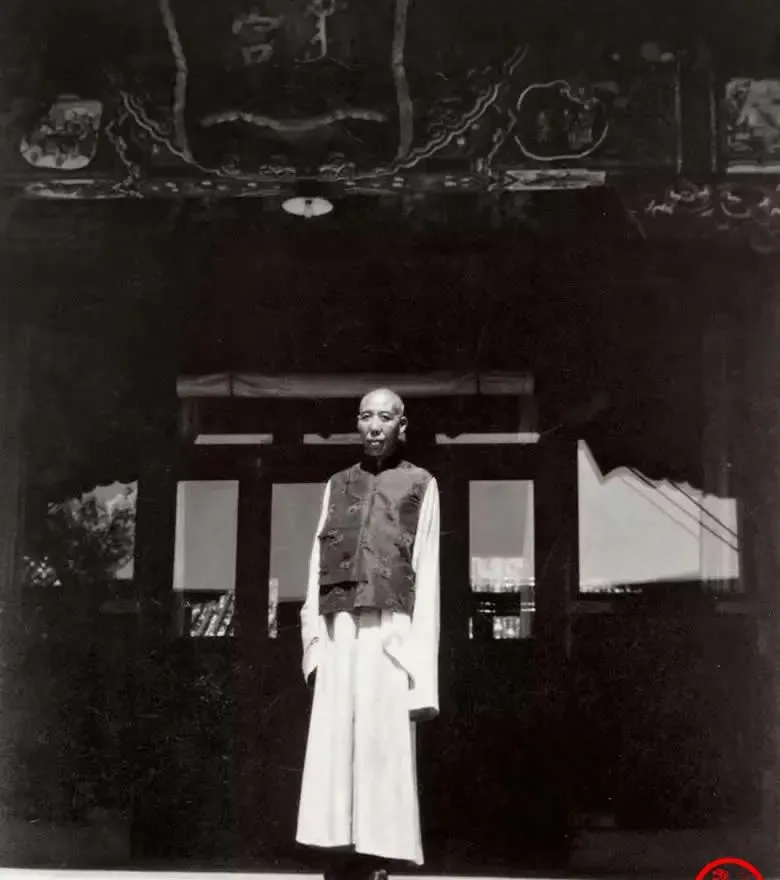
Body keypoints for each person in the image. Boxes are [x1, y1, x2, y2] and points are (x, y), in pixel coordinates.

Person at [296, 388, 441, 880]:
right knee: (336, 741)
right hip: (339, 628)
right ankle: (338, 853)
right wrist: (315, 645)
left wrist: (421, 673)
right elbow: (315, 564)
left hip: (390, 632)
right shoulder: (337, 484)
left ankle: (377, 856)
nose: (374, 426)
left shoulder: (421, 484)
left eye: (385, 417)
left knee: (382, 745)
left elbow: (427, 572)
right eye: (365, 417)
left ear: (403, 425)